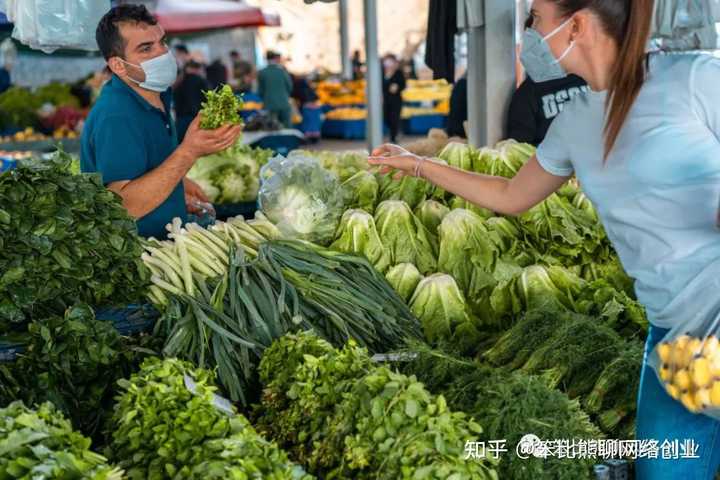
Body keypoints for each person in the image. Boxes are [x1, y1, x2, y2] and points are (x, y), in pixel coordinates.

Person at [369, 1, 720, 478]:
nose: (528, 31)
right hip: (673, 338)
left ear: (577, 25)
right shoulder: (575, 118)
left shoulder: (694, 80)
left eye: (534, 18)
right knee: (665, 471)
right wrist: (416, 163)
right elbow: (512, 195)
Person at [81, 5, 241, 239]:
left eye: (162, 42)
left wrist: (178, 185)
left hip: (168, 243)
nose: (162, 53)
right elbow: (123, 207)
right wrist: (188, 153)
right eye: (146, 48)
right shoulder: (116, 115)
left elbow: (144, 168)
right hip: (140, 260)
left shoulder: (156, 94)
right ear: (118, 65)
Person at [506, 15, 589, 145]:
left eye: (540, 37)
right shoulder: (527, 93)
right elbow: (520, 148)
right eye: (531, 38)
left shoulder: (590, 78)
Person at [174, 60, 209, 142]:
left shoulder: (179, 81)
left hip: (181, 118)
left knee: (181, 144)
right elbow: (208, 98)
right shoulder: (201, 81)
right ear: (197, 69)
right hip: (197, 117)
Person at [257, 51, 292, 128]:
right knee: (287, 128)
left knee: (271, 128)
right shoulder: (282, 71)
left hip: (269, 104)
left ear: (266, 59)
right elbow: (290, 87)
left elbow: (260, 91)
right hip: (284, 103)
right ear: (275, 58)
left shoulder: (262, 72)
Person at [382, 54, 406, 144]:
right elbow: (381, 85)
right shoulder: (383, 73)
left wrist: (397, 87)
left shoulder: (398, 73)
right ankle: (395, 131)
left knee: (394, 118)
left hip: (396, 100)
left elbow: (403, 84)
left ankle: (393, 137)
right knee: (386, 117)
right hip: (386, 99)